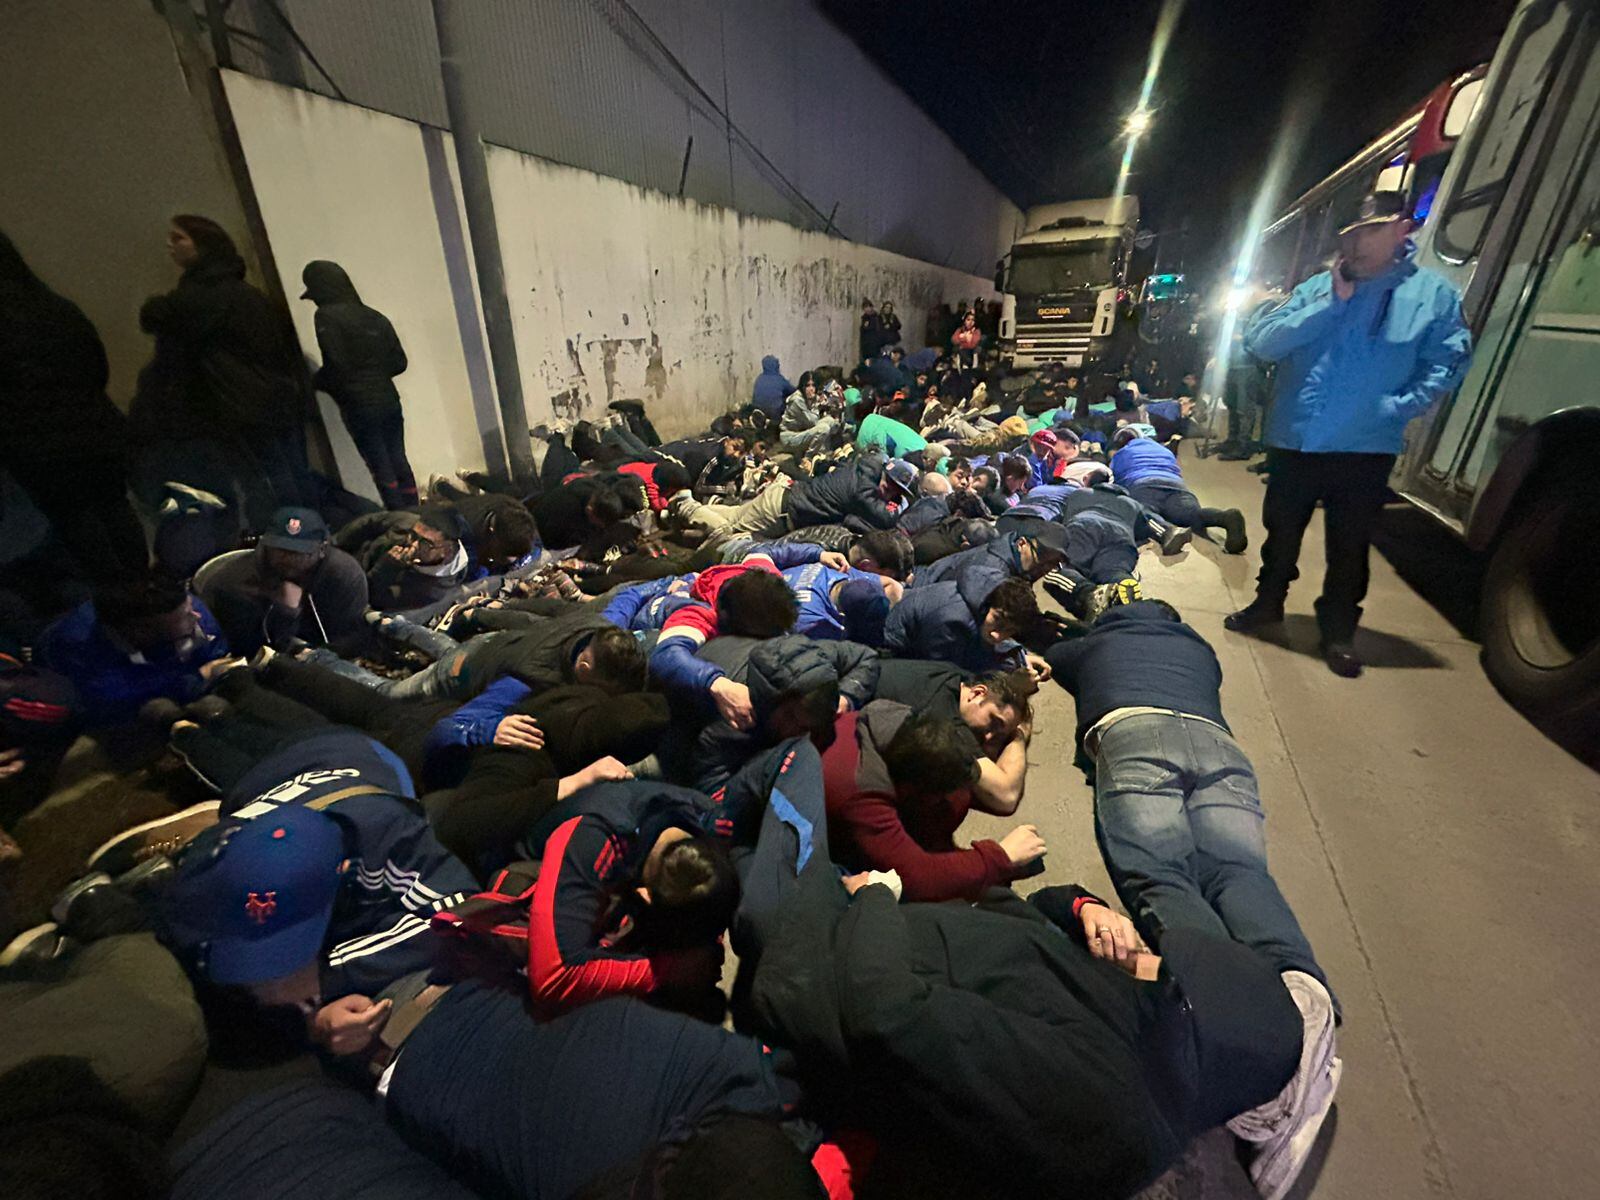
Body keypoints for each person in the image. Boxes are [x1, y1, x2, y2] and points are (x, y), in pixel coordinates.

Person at [1228, 191, 1472, 677]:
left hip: (1365, 445)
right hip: (1297, 437)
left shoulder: (1432, 296)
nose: (1358, 244)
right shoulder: (1318, 288)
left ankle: (1338, 631)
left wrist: (1397, 408)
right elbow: (1262, 342)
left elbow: (1448, 362)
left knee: (1350, 544)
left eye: (1372, 231)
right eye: (1351, 234)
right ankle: (1267, 603)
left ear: (1403, 229)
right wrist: (1331, 306)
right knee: (1281, 531)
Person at [136, 215, 308, 527]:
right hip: (270, 399)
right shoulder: (244, 293)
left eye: (179, 238)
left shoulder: (202, 299)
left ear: (203, 245)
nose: (170, 245)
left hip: (240, 404)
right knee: (286, 478)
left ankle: (289, 539)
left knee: (265, 483)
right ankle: (304, 538)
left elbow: (162, 320)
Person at [521, 779, 739, 1018]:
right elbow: (553, 978)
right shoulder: (593, 840)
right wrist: (672, 970)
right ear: (645, 897)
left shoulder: (709, 819)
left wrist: (707, 946)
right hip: (532, 869)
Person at [0, 231, 148, 580]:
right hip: (95, 427)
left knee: (74, 518)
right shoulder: (55, 307)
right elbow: (97, 365)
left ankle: (115, 593)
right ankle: (146, 588)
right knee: (115, 506)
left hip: (37, 442)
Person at [821, 699, 1043, 902]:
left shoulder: (901, 722)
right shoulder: (861, 793)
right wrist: (1000, 857)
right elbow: (917, 878)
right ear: (912, 789)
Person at [38, 571, 233, 727]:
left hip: (154, 671)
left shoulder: (184, 610)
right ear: (141, 632)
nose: (197, 616)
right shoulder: (76, 646)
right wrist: (194, 678)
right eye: (185, 616)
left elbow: (216, 656)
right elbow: (108, 701)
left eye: (190, 608)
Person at [299, 261, 415, 511]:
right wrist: (375, 374)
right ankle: (416, 511)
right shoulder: (375, 316)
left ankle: (399, 516)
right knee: (398, 458)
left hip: (358, 404)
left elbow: (336, 363)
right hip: (388, 398)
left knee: (380, 464)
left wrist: (316, 382)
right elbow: (399, 362)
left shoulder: (326, 316)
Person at [197, 507, 370, 658]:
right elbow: (250, 650)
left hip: (328, 659)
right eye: (280, 550)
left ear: (322, 549)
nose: (287, 558)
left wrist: (319, 657)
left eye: (299, 553)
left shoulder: (343, 574)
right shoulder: (234, 582)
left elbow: (351, 636)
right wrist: (286, 612)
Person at [1112, 427, 1248, 553]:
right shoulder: (1163, 451)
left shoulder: (1121, 455)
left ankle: (1167, 532)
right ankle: (1225, 517)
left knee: (1141, 515)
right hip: (1176, 485)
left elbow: (1114, 483)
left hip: (1143, 485)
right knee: (1192, 515)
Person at [883, 573, 1038, 675]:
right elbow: (943, 672)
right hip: (891, 650)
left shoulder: (982, 592)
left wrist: (1018, 655)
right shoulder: (952, 620)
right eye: (997, 619)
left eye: (1010, 631)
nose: (998, 635)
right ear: (986, 606)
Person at [750, 354, 793, 421]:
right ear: (776, 366)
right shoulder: (779, 379)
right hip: (774, 413)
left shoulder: (759, 378)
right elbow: (792, 391)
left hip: (758, 411)